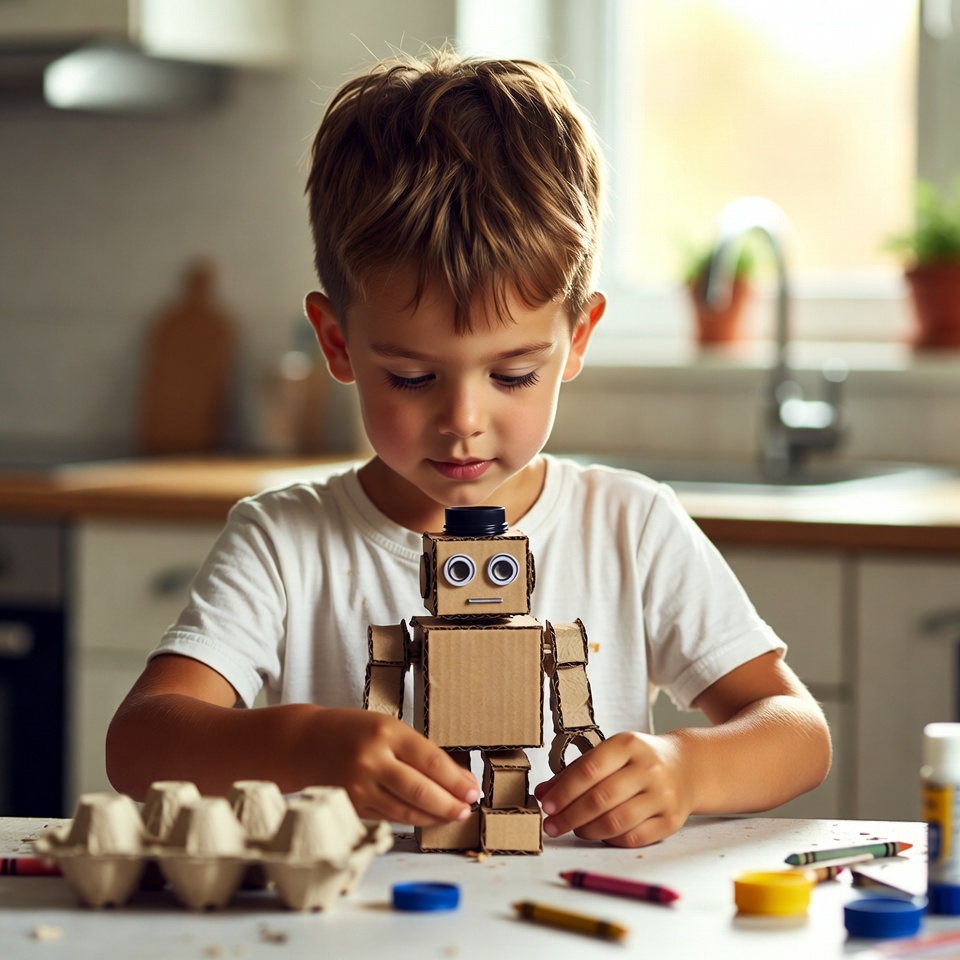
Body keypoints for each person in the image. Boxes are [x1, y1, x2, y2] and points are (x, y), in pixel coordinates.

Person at [106, 49, 831, 849]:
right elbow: (140, 741)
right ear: (337, 343)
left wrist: (688, 770)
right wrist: (300, 747)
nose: (463, 420)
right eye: (413, 377)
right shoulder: (285, 542)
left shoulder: (631, 529)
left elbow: (797, 731)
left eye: (514, 374)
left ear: (578, 338)